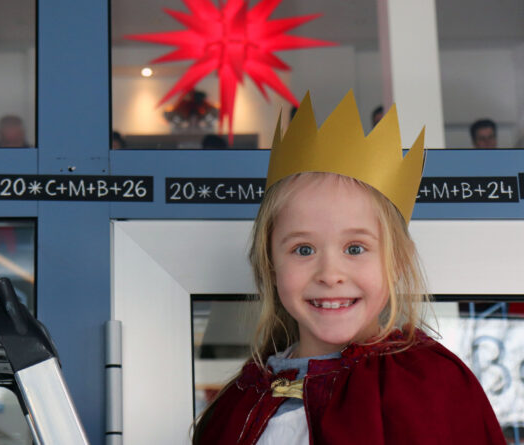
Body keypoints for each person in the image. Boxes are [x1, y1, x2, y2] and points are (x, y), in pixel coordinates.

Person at [192, 91, 505, 444]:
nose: (330, 274)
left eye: (355, 248)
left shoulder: (433, 385)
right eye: (303, 249)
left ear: (397, 260)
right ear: (270, 264)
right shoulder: (243, 398)